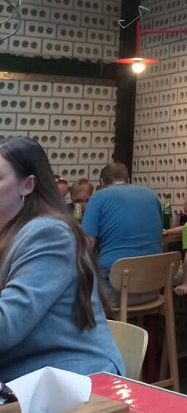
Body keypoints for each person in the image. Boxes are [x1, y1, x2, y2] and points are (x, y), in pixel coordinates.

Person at [0, 137, 124, 380]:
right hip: (27, 371)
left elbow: (6, 326)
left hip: (72, 378)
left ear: (28, 185)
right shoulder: (10, 233)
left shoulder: (49, 234)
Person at [82, 161, 162, 303]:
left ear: (102, 182)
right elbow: (159, 234)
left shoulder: (98, 198)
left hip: (115, 292)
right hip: (152, 289)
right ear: (128, 180)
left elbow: (88, 244)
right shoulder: (152, 196)